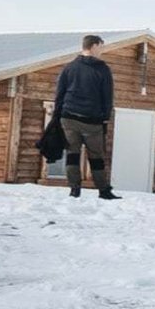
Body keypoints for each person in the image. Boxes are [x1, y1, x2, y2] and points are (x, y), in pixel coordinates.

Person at [53, 35, 118, 200]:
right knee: (96, 156)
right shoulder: (102, 69)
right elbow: (107, 96)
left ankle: (74, 189)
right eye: (101, 47)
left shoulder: (69, 67)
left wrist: (57, 115)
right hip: (92, 120)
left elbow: (59, 93)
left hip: (68, 117)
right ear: (94, 46)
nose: (102, 51)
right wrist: (105, 117)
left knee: (72, 154)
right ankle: (103, 191)